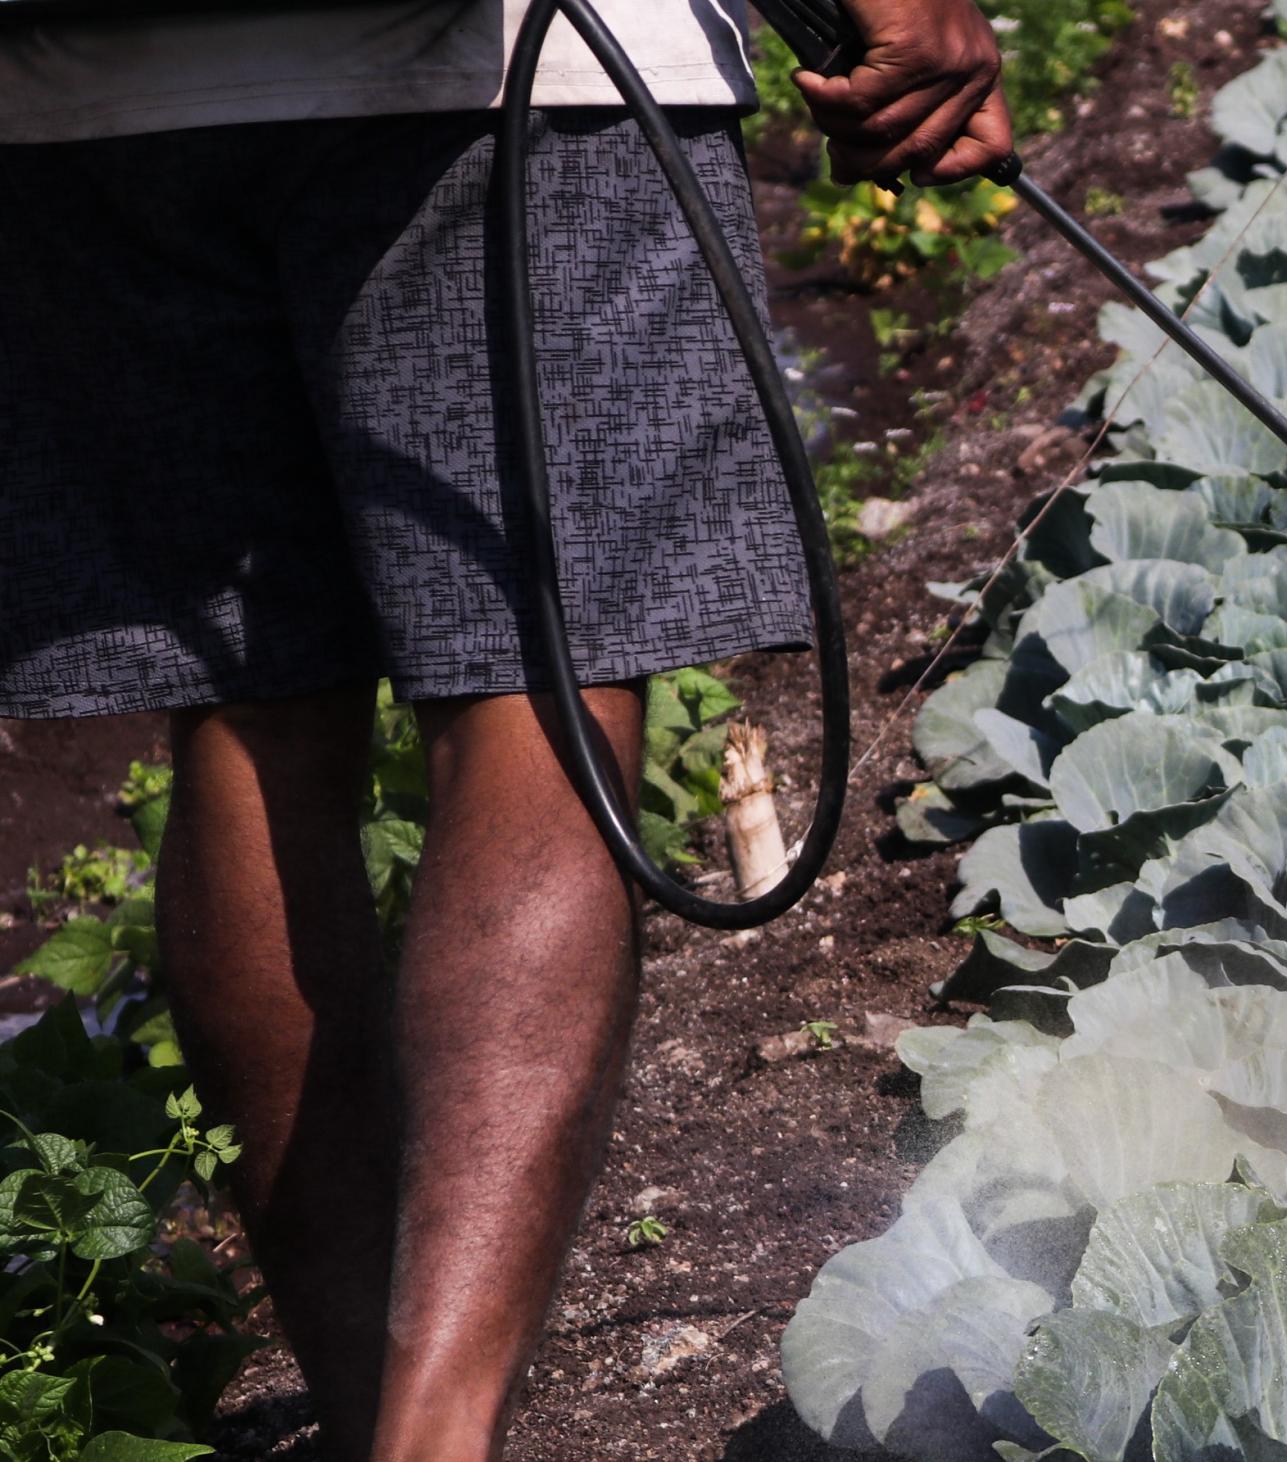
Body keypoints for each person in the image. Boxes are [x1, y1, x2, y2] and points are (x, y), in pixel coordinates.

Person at [0, 2, 1009, 1456]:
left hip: (96, 95)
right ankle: (435, 1436)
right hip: (514, 80)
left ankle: (374, 1423)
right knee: (540, 685)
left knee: (246, 721)